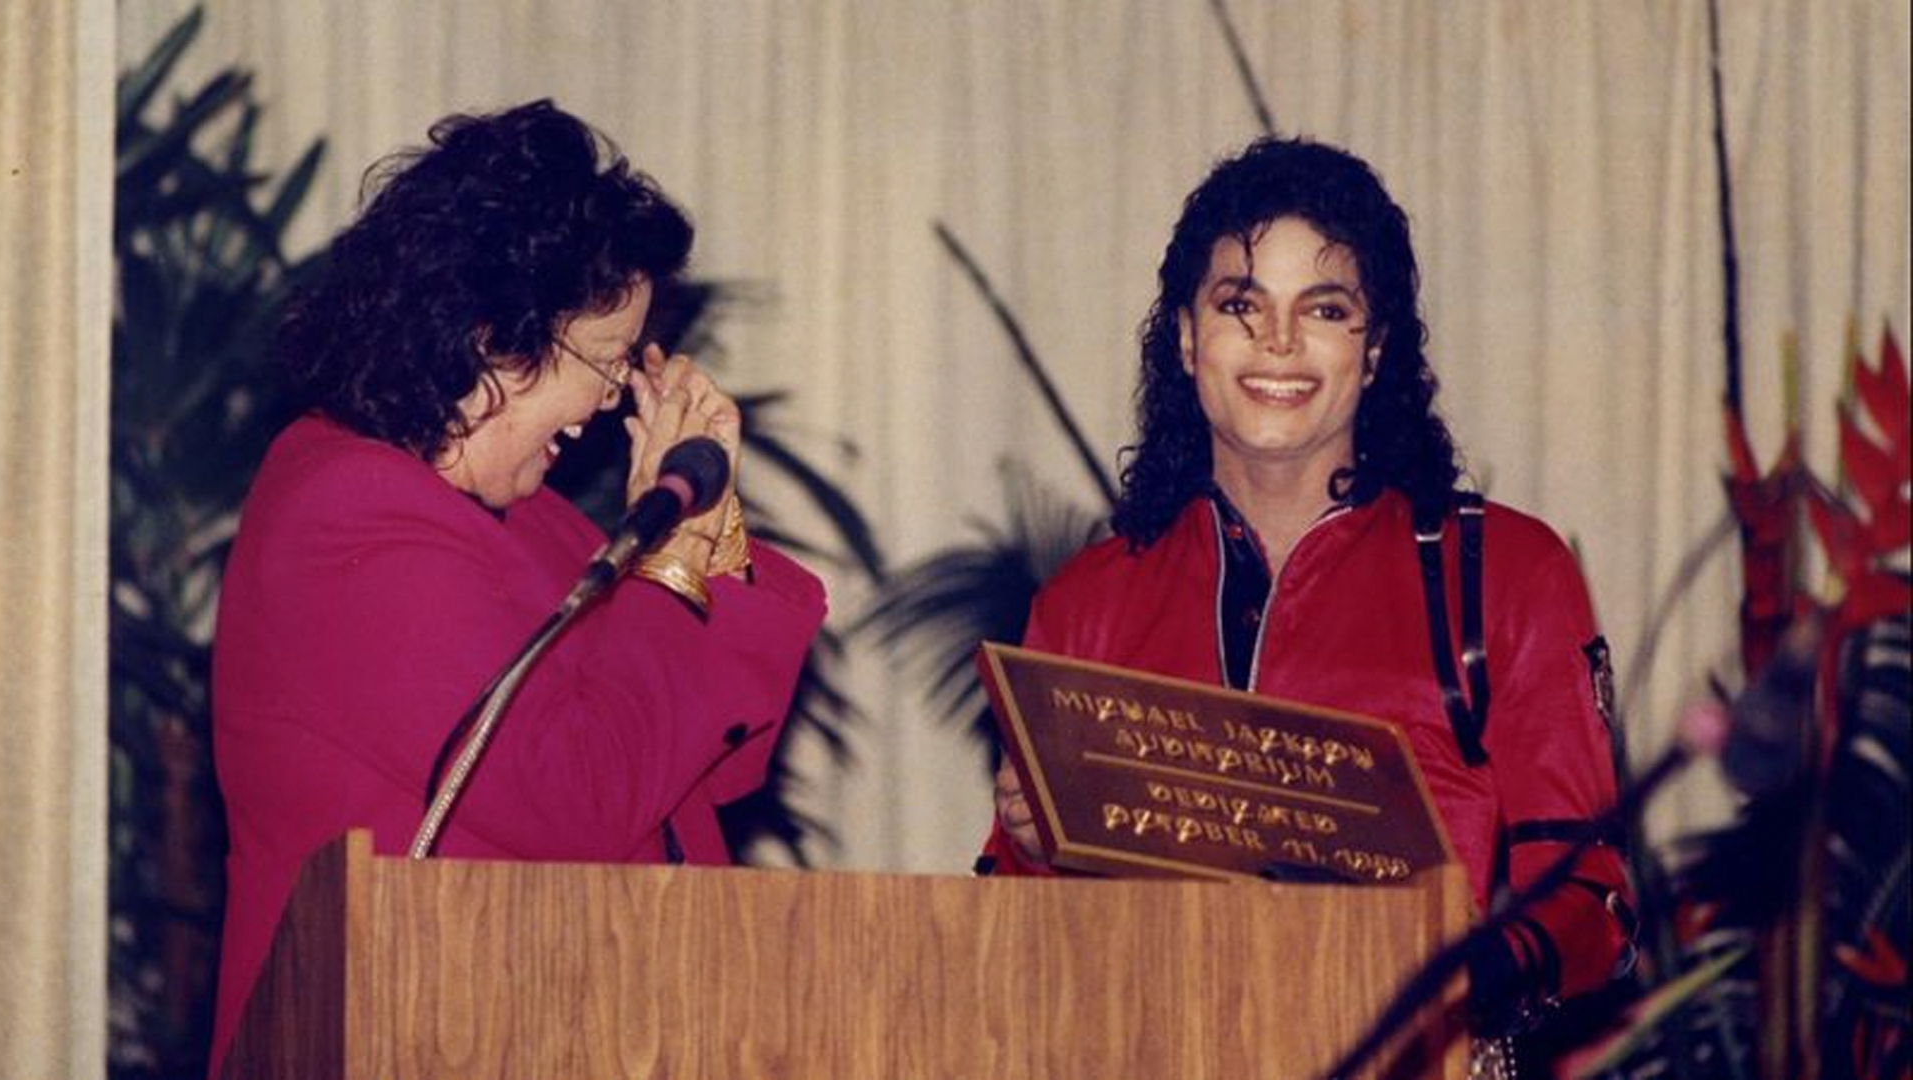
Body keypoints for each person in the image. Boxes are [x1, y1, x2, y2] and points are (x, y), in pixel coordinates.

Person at [208, 100, 825, 1072]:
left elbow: (709, 763)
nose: (616, 397)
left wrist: (706, 531)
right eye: (608, 361)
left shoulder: (521, 514)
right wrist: (669, 568)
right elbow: (579, 797)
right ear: (497, 339)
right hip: (414, 1032)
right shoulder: (348, 506)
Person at [981, 137, 1632, 1043]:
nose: (1278, 342)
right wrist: (1032, 843)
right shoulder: (1085, 603)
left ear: (1375, 351)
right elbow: (1009, 943)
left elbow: (1594, 896)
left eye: (1324, 308)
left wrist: (1455, 979)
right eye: (1239, 305)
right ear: (1185, 336)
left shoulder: (1505, 575)